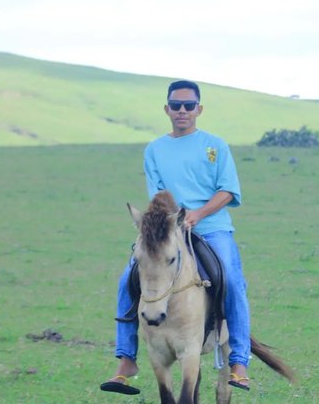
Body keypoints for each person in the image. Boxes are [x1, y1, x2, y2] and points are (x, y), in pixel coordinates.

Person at [101, 80, 251, 395]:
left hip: (211, 226)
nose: (182, 111)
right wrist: (172, 221)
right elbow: (157, 192)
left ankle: (239, 361)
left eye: (188, 105)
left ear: (199, 109)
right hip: (170, 227)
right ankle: (126, 359)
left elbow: (228, 191)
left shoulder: (215, 145)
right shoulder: (155, 149)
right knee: (127, 279)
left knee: (233, 281)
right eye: (176, 105)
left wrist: (197, 215)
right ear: (167, 109)